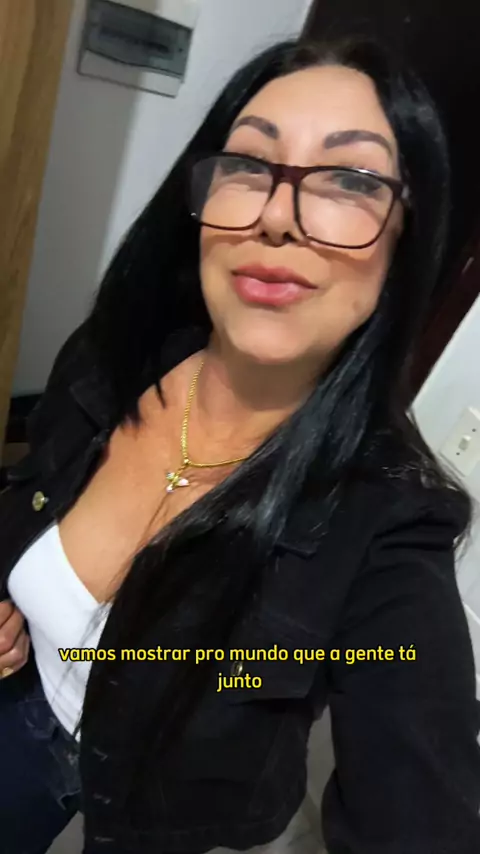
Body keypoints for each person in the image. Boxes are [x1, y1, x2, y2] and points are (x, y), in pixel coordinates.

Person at [0, 34, 479, 854]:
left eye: (350, 180)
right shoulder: (113, 360)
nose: (277, 217)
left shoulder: (392, 525)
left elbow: (421, 810)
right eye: (250, 165)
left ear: (408, 237)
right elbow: (27, 492)